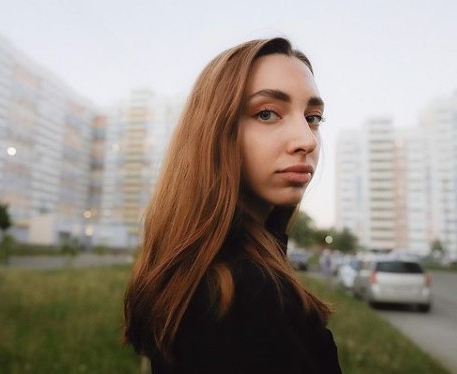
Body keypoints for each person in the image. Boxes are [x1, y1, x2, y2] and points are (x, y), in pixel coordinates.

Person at [123, 37, 342, 373]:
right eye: (267, 113)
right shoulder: (245, 294)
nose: (307, 140)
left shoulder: (197, 269)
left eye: (313, 117)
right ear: (213, 132)